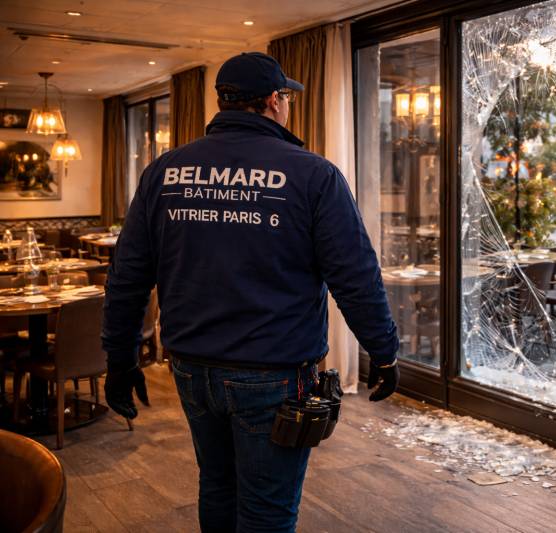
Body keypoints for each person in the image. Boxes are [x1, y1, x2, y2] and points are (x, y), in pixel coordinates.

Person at [102, 52, 400, 532]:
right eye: (285, 97)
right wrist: (383, 351)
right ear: (274, 102)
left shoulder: (166, 172)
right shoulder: (311, 174)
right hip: (274, 372)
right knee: (267, 508)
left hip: (191, 367)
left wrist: (119, 359)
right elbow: (355, 276)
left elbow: (128, 275)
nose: (286, 106)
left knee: (217, 486)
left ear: (224, 102)